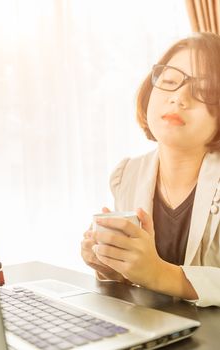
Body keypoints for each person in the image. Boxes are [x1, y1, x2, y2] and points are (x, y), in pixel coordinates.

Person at [81, 32, 220, 307]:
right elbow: (135, 286)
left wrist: (159, 273)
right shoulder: (128, 175)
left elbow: (153, 275)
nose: (179, 98)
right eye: (169, 81)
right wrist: (112, 265)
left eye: (204, 91)